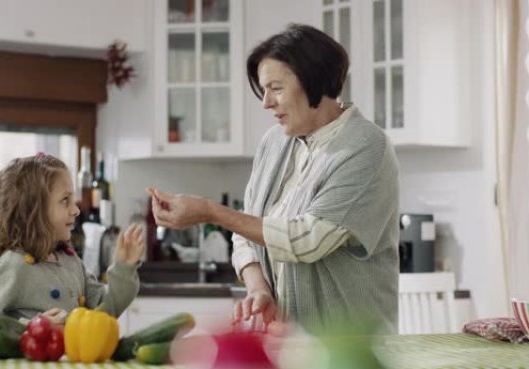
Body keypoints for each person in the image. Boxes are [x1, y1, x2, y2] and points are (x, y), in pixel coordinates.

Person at [149, 24, 399, 333]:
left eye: (276, 88)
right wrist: (258, 288)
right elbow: (245, 230)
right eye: (264, 89)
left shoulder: (365, 146)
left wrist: (211, 212)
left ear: (314, 82)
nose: (266, 102)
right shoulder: (275, 142)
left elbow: (307, 239)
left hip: (353, 348)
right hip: (289, 341)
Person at [0, 153, 144, 324]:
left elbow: (105, 312)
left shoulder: (72, 262)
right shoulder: (14, 265)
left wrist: (124, 267)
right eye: (65, 200)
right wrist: (31, 327)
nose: (76, 210)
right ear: (33, 211)